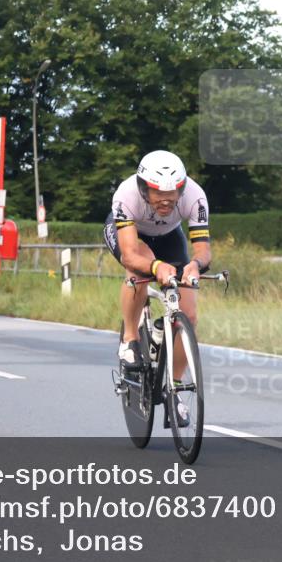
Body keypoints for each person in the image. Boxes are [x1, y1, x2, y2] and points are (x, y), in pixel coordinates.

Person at [102, 150, 211, 425]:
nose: (166, 200)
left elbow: (203, 250)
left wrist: (196, 264)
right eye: (157, 193)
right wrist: (154, 268)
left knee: (190, 314)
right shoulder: (126, 195)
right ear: (143, 188)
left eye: (173, 193)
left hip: (169, 237)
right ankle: (129, 338)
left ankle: (172, 389)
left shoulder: (195, 196)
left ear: (182, 187)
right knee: (140, 264)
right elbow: (129, 254)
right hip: (131, 236)